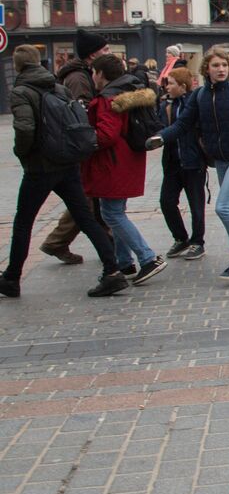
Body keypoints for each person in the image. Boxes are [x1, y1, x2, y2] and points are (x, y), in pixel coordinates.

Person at [1, 44, 129, 298]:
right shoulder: (57, 86)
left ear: (17, 66)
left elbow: (25, 129)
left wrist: (22, 152)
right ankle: (113, 270)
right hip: (67, 162)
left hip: (41, 166)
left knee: (24, 222)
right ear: (38, 62)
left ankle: (12, 278)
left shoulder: (22, 91)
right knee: (85, 217)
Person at [151, 46, 229, 283]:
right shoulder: (200, 96)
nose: (221, 69)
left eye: (224, 65)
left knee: (223, 208)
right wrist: (162, 137)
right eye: (216, 66)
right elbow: (183, 124)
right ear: (207, 69)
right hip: (221, 159)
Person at [86, 54, 166, 285]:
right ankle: (124, 261)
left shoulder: (107, 99)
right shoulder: (129, 92)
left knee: (111, 213)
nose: (92, 77)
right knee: (115, 211)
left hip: (112, 163)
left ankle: (147, 258)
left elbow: (107, 135)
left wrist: (86, 137)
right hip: (127, 159)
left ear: (101, 74)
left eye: (93, 72)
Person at [40, 27, 110, 265]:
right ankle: (57, 242)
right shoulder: (79, 78)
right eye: (104, 49)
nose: (108, 52)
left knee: (89, 196)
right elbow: (81, 114)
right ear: (92, 55)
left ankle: (102, 238)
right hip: (78, 145)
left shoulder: (83, 73)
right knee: (85, 197)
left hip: (78, 145)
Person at [157, 67, 207, 261]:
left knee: (196, 204)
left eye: (170, 83)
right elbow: (162, 127)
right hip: (172, 161)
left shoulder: (194, 104)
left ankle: (198, 242)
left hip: (193, 160)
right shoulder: (166, 106)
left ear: (182, 86)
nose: (167, 87)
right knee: (166, 201)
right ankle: (180, 238)